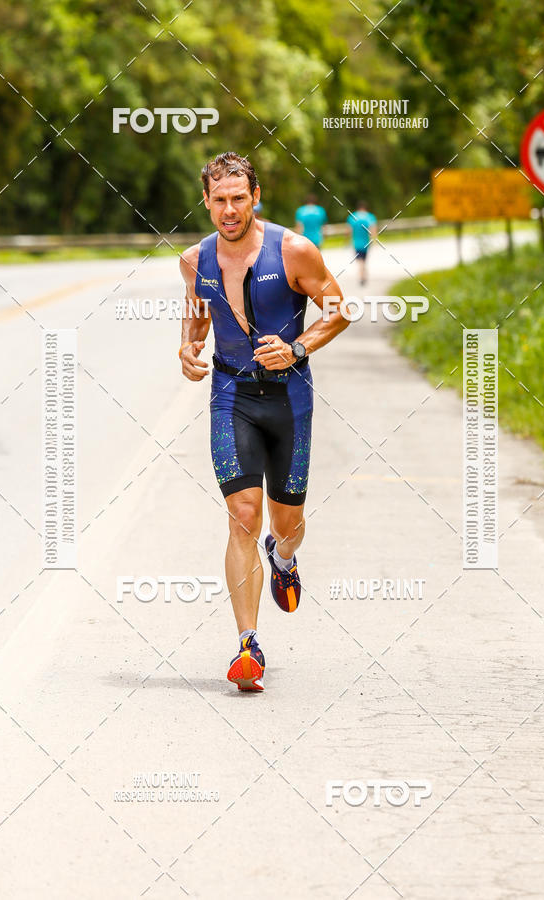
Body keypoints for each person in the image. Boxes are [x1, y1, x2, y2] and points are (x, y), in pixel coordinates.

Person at [179, 152, 349, 692]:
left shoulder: (294, 250)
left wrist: (297, 347)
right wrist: (188, 346)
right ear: (206, 201)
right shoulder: (194, 260)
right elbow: (199, 311)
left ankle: (284, 555)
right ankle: (247, 646)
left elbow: (339, 309)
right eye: (219, 200)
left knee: (286, 522)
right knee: (242, 516)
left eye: (238, 198)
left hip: (288, 398)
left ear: (255, 196)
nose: (229, 210)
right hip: (231, 396)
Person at [347, 202, 378, 285]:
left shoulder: (352, 217)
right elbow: (373, 229)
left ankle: (362, 277)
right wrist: (374, 240)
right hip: (366, 242)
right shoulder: (370, 216)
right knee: (364, 259)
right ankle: (364, 274)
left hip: (356, 242)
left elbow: (349, 230)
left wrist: (347, 240)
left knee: (360, 260)